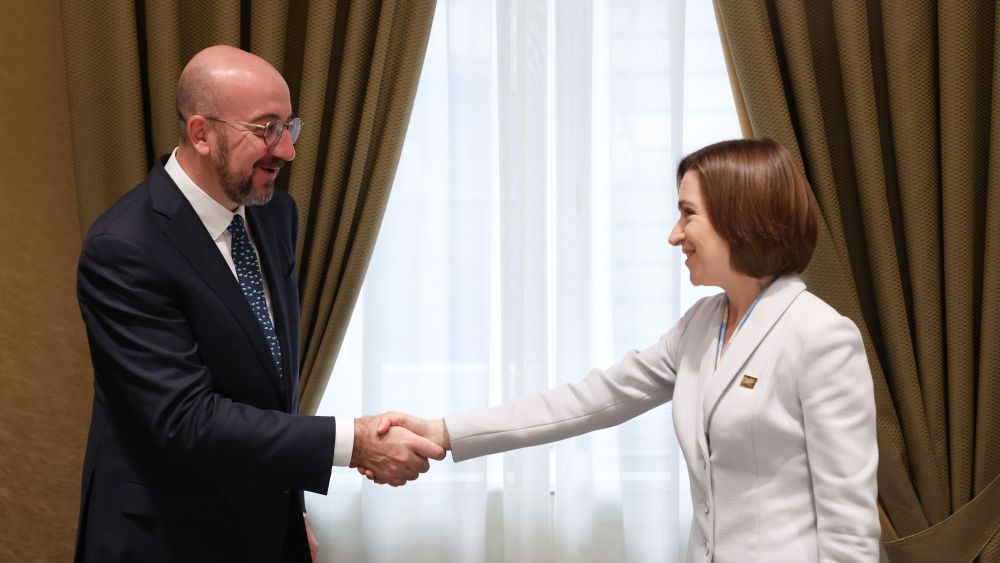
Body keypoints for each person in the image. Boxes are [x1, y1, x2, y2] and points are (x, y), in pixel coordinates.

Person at [364, 139, 881, 562]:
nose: (674, 235)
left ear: (739, 217)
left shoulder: (821, 338)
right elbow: (588, 400)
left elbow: (850, 534)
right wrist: (443, 432)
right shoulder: (701, 326)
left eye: (687, 214)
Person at [74, 45, 444, 563]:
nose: (287, 151)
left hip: (266, 529)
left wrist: (292, 516)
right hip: (164, 540)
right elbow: (186, 421)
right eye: (266, 128)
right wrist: (353, 442)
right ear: (201, 133)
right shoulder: (123, 249)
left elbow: (269, 389)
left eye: (289, 127)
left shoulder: (273, 215)